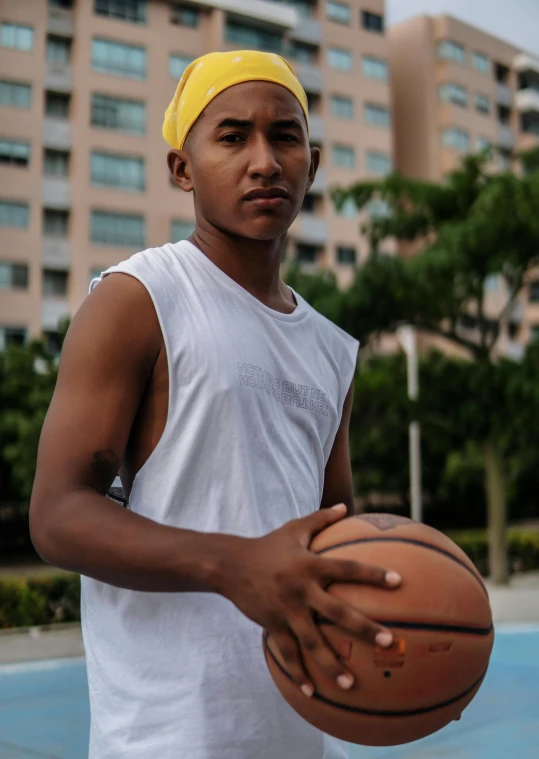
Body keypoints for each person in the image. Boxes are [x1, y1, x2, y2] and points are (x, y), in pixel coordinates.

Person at [29, 50, 401, 759]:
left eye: (284, 137)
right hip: (167, 734)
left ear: (312, 163)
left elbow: (332, 531)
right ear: (182, 168)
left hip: (298, 731)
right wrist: (234, 563)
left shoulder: (330, 348)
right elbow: (57, 515)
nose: (263, 160)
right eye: (232, 137)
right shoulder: (138, 298)